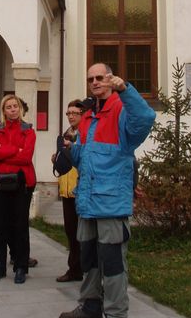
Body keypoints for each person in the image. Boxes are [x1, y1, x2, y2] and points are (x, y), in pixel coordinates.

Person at [59, 63, 155, 318]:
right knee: (88, 260)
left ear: (110, 79)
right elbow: (88, 157)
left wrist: (125, 89)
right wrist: (71, 150)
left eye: (100, 77)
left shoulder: (122, 110)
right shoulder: (88, 116)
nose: (95, 82)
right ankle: (90, 306)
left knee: (113, 265)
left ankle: (115, 313)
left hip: (111, 202)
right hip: (88, 201)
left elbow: (146, 119)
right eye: (90, 78)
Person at [0, 94, 36, 284]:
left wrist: (4, 151)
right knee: (0, 226)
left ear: (20, 109)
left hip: (22, 183)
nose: (13, 109)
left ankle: (21, 267)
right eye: (9, 107)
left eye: (15, 106)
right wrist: (16, 150)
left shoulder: (28, 131)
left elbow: (26, 157)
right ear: (4, 110)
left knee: (20, 225)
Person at [53, 99, 84, 283]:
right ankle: (74, 269)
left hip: (79, 189)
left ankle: (85, 269)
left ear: (83, 115)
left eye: (75, 113)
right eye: (68, 113)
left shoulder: (84, 135)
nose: (71, 116)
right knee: (71, 232)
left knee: (83, 234)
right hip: (66, 191)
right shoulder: (66, 134)